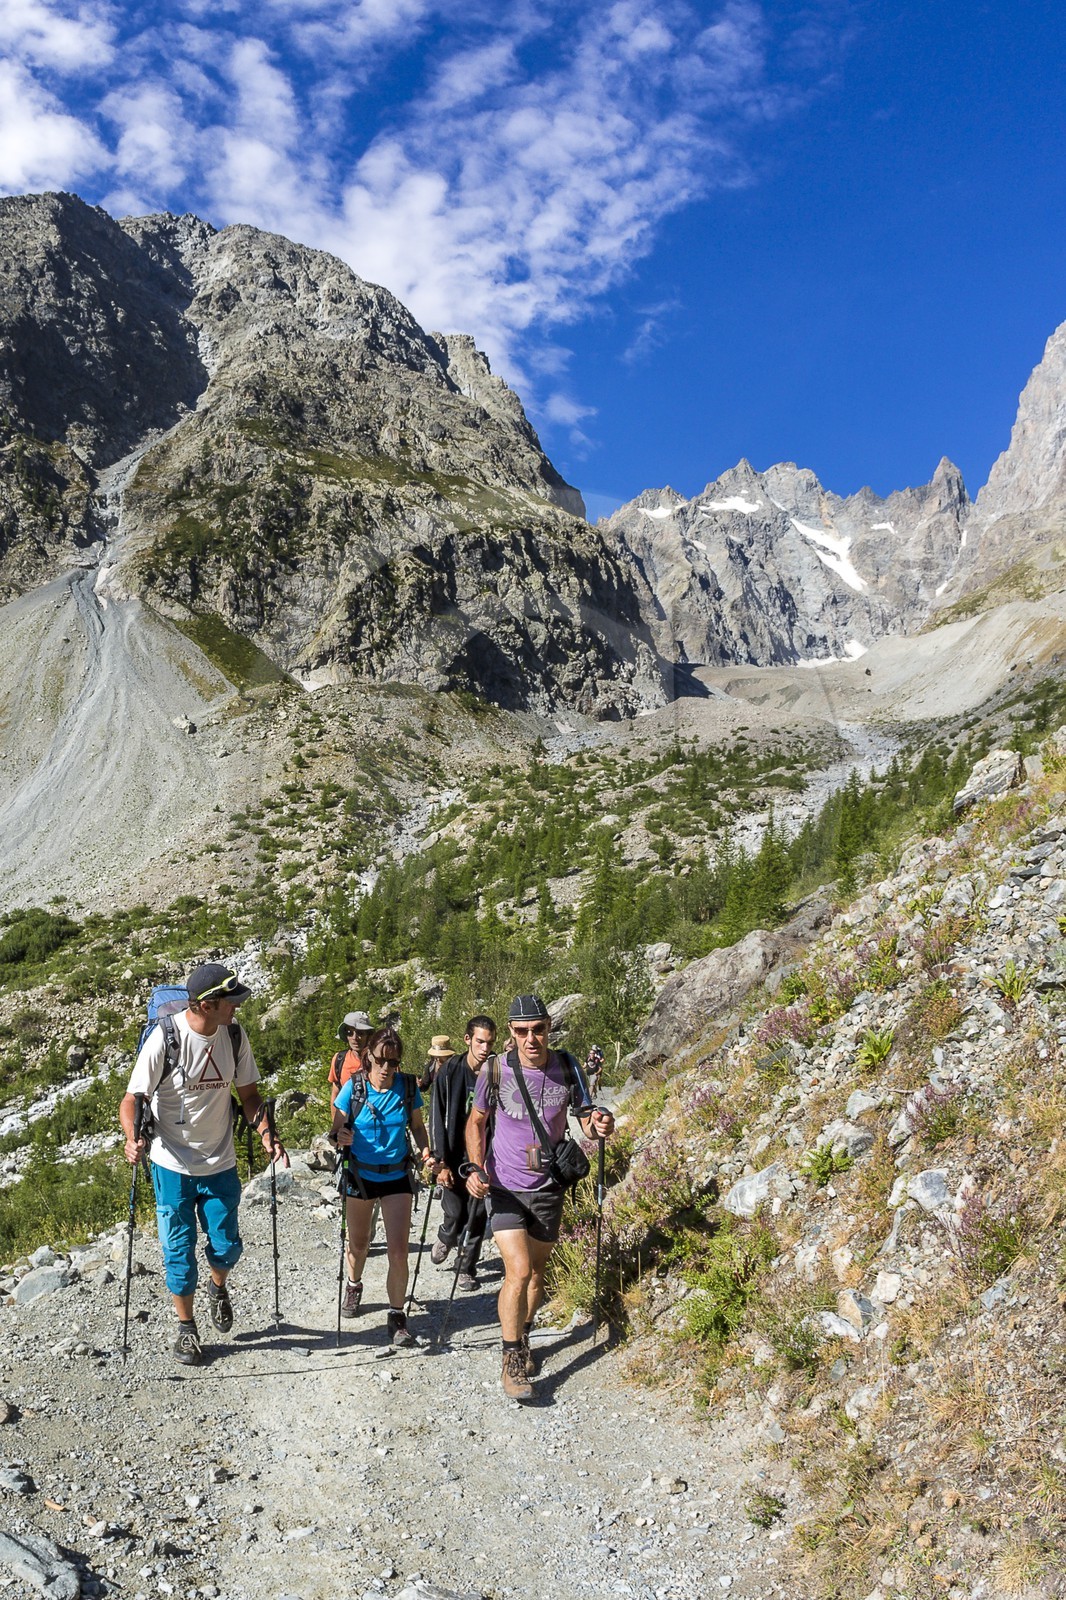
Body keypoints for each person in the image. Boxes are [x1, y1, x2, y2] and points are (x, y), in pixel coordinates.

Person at [119, 962, 287, 1367]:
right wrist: (132, 1137)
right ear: (208, 1004)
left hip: (220, 1160)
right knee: (179, 1252)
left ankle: (218, 1287)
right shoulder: (165, 1038)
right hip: (171, 1163)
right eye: (231, 1001)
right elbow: (132, 1100)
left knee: (227, 1247)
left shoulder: (233, 1034)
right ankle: (186, 1329)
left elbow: (248, 1094)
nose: (237, 1008)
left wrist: (266, 1131)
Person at [466, 994, 614, 1401]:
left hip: (548, 1186)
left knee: (536, 1273)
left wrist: (598, 1123)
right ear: (511, 1033)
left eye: (538, 1029)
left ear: (549, 1027)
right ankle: (511, 1357)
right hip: (505, 1186)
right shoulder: (496, 1070)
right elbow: (476, 1123)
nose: (531, 1039)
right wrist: (476, 1169)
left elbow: (585, 1118)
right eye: (521, 1031)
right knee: (517, 1269)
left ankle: (524, 1333)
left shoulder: (566, 1066)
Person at [330, 1026, 435, 1346]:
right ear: (368, 1059)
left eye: (394, 1062)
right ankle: (354, 1283)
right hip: (360, 1176)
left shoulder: (406, 1087)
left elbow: (417, 1126)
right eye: (381, 1061)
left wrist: (426, 1151)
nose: (387, 1068)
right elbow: (335, 1132)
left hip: (397, 1177)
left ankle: (397, 1315)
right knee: (359, 1245)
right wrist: (340, 1137)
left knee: (398, 1252)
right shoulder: (354, 1087)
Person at [429, 1016, 496, 1290]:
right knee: (455, 1211)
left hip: (483, 1155)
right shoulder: (449, 1072)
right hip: (455, 1154)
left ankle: (467, 1266)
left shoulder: (497, 1071)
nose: (484, 1048)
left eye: (489, 1043)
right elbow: (436, 1115)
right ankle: (446, 1236)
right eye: (480, 1041)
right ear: (468, 1039)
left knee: (477, 1214)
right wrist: (440, 1160)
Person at [328, 1010, 373, 1111]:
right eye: (350, 1033)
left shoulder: (381, 1061)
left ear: (368, 1036)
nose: (355, 1038)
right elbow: (335, 1095)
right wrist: (337, 1125)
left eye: (360, 1033)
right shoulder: (339, 1059)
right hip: (348, 1122)